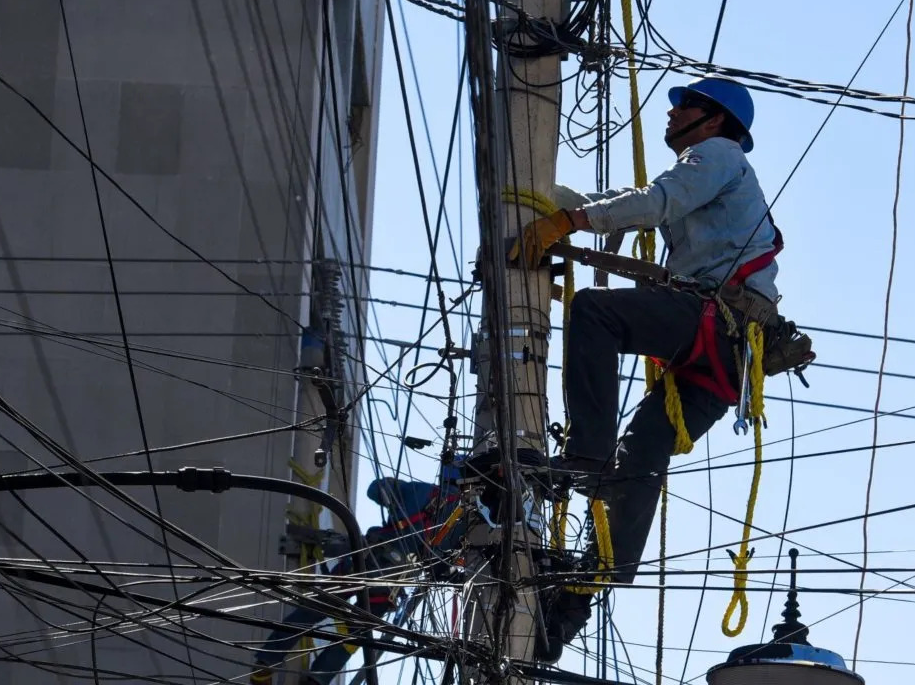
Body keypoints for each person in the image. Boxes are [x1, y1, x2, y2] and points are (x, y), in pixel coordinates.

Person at [511, 76, 784, 650]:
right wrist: (556, 203)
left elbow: (654, 203)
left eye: (684, 105)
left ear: (712, 120)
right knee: (643, 451)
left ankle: (585, 455)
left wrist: (568, 222)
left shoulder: (718, 155)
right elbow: (633, 200)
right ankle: (580, 595)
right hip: (729, 356)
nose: (671, 112)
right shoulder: (703, 166)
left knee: (594, 314)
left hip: (715, 323)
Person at [250, 470, 465, 684]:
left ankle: (265, 664)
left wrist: (389, 489)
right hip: (387, 583)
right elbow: (439, 568)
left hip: (365, 561)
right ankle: (314, 680)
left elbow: (375, 490)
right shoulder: (460, 521)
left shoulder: (424, 492)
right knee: (351, 635)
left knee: (315, 610)